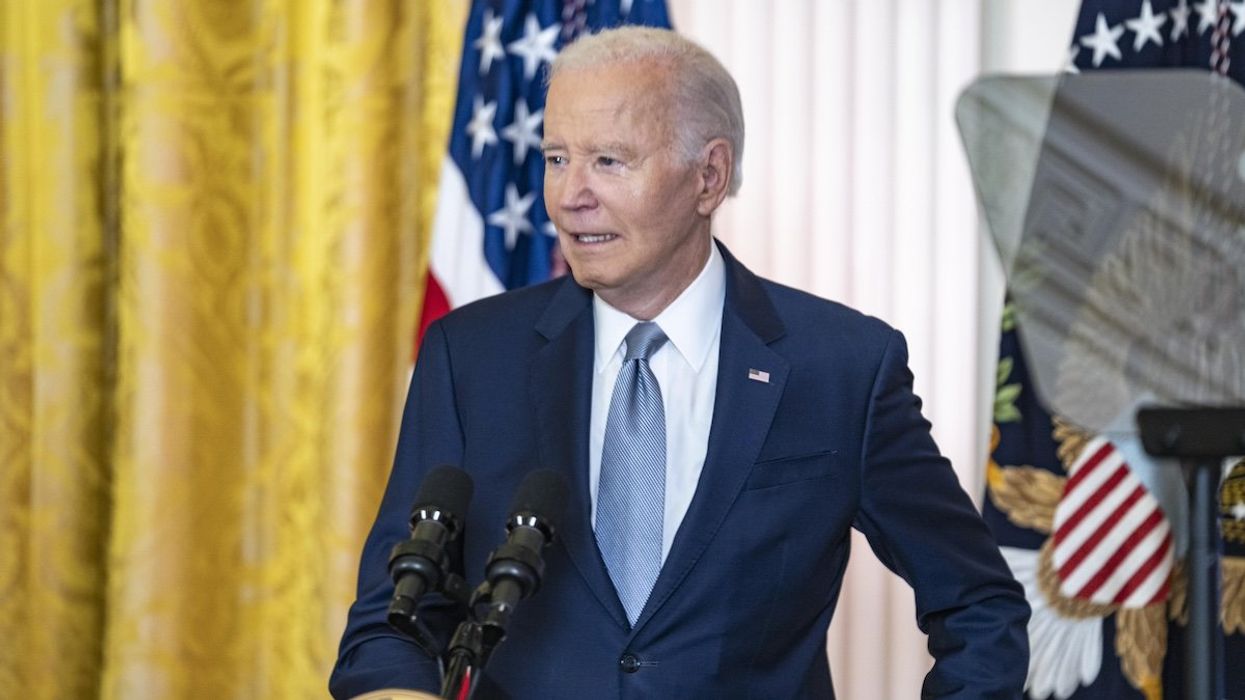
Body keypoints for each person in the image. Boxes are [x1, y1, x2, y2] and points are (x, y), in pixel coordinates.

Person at [331, 26, 1029, 699]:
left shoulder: (841, 367)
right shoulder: (472, 356)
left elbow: (978, 606)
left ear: (708, 176)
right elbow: (391, 618)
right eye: (554, 158)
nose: (569, 194)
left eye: (608, 160)